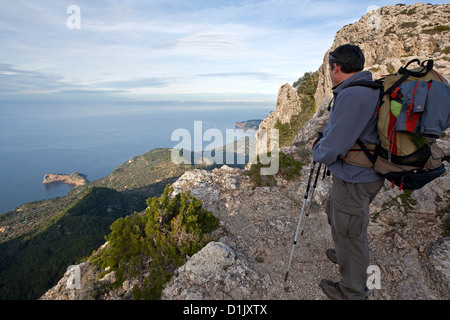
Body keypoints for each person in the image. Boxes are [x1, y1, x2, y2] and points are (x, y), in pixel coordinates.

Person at [312, 44, 384, 300]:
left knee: (351, 233)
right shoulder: (365, 89)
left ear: (337, 67)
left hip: (355, 178)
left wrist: (317, 150)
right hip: (360, 175)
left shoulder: (354, 95)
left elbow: (334, 147)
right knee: (334, 212)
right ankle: (343, 252)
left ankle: (352, 291)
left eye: (329, 68)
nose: (329, 74)